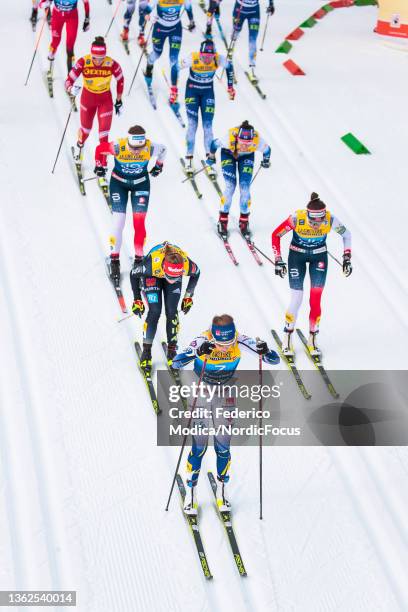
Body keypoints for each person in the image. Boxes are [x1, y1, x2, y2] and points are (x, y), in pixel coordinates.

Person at [172, 313, 279, 514]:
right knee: (199, 447)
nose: (226, 347)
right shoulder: (202, 340)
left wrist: (266, 351)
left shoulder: (240, 340)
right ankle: (191, 491)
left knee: (223, 447)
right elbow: (176, 363)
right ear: (213, 337)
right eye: (221, 344)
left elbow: (273, 360)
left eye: (230, 342)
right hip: (202, 394)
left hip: (226, 395)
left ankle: (221, 490)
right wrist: (198, 353)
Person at [272, 192, 353, 357]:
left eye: (320, 221)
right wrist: (278, 259)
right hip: (297, 256)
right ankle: (287, 336)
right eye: (313, 221)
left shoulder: (330, 219)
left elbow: (347, 235)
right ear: (307, 215)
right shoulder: (296, 218)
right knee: (297, 298)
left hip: (319, 257)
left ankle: (313, 338)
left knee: (315, 299)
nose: (317, 225)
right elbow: (276, 235)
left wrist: (347, 258)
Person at [94, 126, 167, 282]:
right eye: (133, 147)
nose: (136, 151)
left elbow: (164, 150)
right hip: (118, 184)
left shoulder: (150, 147)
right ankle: (114, 261)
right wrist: (99, 165)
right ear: (128, 142)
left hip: (141, 185)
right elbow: (99, 149)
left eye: (139, 148)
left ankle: (139, 260)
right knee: (118, 222)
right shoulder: (118, 146)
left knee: (139, 224)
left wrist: (159, 166)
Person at [130, 242, 200, 372]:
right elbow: (133, 274)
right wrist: (137, 299)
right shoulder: (151, 264)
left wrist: (188, 296)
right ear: (163, 266)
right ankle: (146, 352)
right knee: (155, 311)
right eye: (170, 277)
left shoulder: (186, 264)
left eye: (175, 277)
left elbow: (197, 273)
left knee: (172, 310)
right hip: (153, 275)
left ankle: (172, 350)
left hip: (167, 269)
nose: (171, 280)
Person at [178, 39, 235, 175]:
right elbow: (175, 67)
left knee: (208, 126)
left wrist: (230, 86)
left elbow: (229, 67)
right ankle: (189, 159)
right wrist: (174, 88)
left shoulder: (218, 58)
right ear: (200, 53)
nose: (207, 59)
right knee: (192, 125)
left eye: (210, 56)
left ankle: (210, 159)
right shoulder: (193, 58)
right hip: (192, 91)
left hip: (208, 93)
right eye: (204, 56)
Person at [207, 120, 271, 238]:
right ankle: (222, 221)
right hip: (228, 154)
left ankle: (244, 222)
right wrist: (211, 156)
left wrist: (266, 160)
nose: (245, 146)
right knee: (230, 186)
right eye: (242, 142)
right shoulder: (228, 138)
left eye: (248, 143)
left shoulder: (257, 140)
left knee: (245, 188)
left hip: (246, 157)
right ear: (238, 138)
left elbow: (267, 150)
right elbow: (213, 144)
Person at [65, 37, 124, 162]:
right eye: (95, 58)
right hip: (88, 99)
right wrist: (70, 89)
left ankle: (101, 165)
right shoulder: (83, 62)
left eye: (101, 58)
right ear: (91, 55)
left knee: (104, 136)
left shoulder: (111, 63)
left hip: (105, 100)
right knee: (85, 131)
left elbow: (120, 79)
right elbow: (68, 80)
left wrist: (119, 100)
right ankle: (79, 147)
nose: (98, 61)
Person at [143, 0, 195, 103]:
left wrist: (192, 22)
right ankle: (149, 65)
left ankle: (174, 90)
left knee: (174, 60)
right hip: (159, 29)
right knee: (157, 54)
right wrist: (148, 16)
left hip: (175, 29)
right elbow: (146, 10)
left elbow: (189, 8)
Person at [36, 0, 90, 73]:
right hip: (57, 16)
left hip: (72, 17)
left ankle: (70, 77)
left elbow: (86, 2)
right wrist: (45, 4)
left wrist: (87, 20)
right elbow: (41, 4)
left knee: (70, 47)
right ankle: (50, 70)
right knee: (55, 42)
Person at [230, 0, 274, 81]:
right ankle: (230, 56)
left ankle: (252, 67)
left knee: (253, 39)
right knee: (236, 33)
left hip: (254, 11)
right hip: (239, 9)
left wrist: (271, 5)